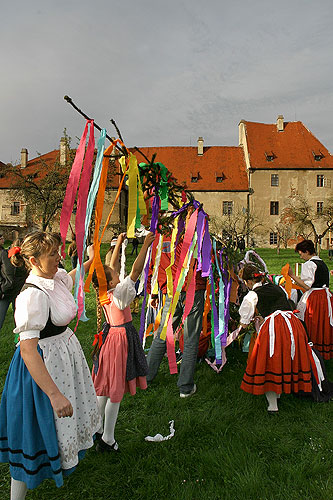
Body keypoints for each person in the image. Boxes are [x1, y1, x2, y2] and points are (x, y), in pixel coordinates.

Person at [0, 232, 101, 500]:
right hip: (41, 370)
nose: (59, 257)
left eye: (58, 251)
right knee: (30, 433)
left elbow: (72, 276)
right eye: (53, 254)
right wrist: (54, 394)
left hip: (63, 359)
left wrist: (91, 259)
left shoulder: (53, 278)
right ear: (33, 260)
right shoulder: (31, 296)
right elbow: (28, 350)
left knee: (54, 429)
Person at [91, 231, 155, 453]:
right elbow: (136, 271)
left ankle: (96, 428)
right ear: (110, 280)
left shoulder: (104, 290)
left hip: (110, 338)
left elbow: (111, 265)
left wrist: (118, 243)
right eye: (113, 273)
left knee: (105, 388)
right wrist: (146, 245)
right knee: (115, 391)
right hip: (120, 340)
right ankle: (108, 438)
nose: (116, 271)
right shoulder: (120, 294)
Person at [238, 264, 331, 413]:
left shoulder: (252, 295)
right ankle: (284, 390)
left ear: (248, 282)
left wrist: (240, 327)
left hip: (275, 328)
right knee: (286, 358)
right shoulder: (276, 287)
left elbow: (244, 321)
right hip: (294, 324)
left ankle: (273, 405)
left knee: (270, 362)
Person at [147, 223, 207, 398]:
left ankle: (147, 377)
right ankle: (185, 387)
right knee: (190, 338)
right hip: (192, 289)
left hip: (172, 289)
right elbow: (205, 260)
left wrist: (156, 290)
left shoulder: (162, 235)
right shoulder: (197, 234)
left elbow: (155, 262)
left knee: (163, 333)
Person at [288, 239, 333, 360]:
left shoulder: (309, 264)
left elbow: (306, 285)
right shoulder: (321, 262)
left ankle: (311, 351)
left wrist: (292, 276)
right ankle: (322, 350)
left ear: (307, 251)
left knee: (311, 322)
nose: (301, 256)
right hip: (325, 296)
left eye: (301, 253)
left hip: (315, 298)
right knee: (321, 322)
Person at [0, 239, 29, 330]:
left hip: (19, 293)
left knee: (20, 323)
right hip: (4, 293)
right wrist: (2, 284)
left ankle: (19, 343)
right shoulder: (3, 255)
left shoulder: (26, 258)